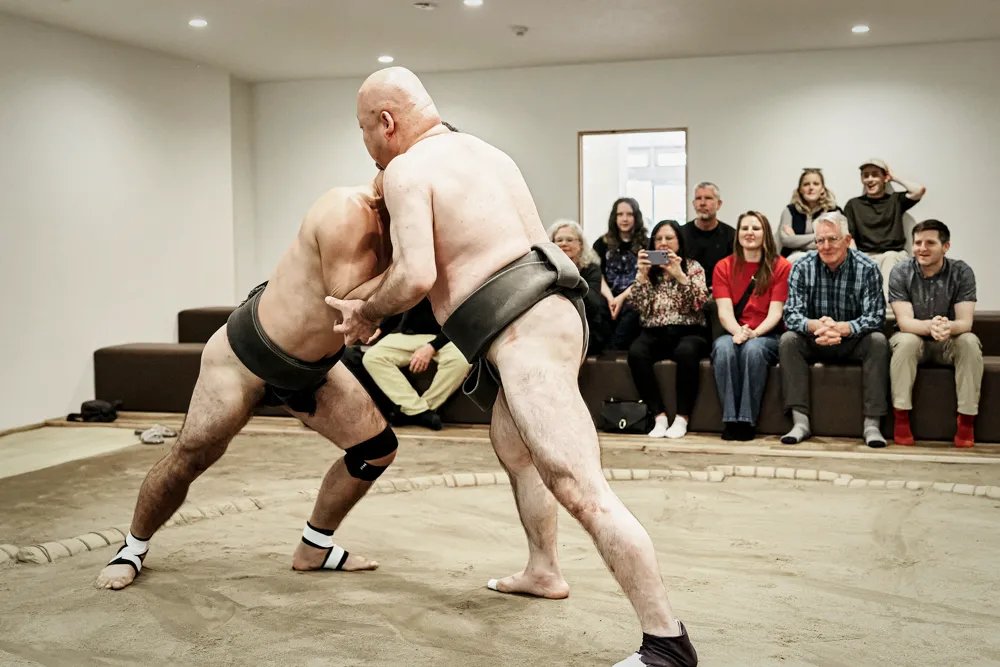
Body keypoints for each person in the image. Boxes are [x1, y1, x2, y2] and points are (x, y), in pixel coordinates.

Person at [330, 67, 698, 666]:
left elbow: (418, 275)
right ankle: (545, 568)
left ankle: (667, 643)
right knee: (516, 448)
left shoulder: (407, 169)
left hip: (524, 333)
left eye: (364, 130)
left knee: (581, 487)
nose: (366, 144)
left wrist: (367, 312)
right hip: (555, 316)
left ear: (387, 123)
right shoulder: (485, 152)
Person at [95, 177, 397, 590]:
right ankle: (132, 547)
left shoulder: (411, 235)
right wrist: (418, 272)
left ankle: (315, 547)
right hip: (245, 356)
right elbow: (347, 297)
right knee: (190, 457)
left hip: (310, 370)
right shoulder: (347, 208)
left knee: (376, 450)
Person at [779, 211, 889, 448]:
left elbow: (876, 316)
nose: (826, 246)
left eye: (832, 239)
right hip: (815, 338)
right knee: (788, 340)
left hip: (852, 340)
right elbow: (791, 314)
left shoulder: (867, 268)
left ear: (847, 240)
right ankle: (800, 422)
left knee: (878, 341)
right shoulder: (801, 266)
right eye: (820, 240)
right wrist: (816, 325)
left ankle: (872, 424)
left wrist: (843, 328)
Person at [888, 219, 981, 447]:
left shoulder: (962, 271)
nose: (922, 248)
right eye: (918, 242)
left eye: (930, 243)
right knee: (906, 342)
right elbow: (904, 322)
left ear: (945, 247)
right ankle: (901, 419)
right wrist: (931, 326)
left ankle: (966, 422)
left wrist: (948, 327)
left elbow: (965, 322)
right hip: (915, 337)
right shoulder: (901, 270)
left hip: (948, 340)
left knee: (969, 341)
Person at [626, 220, 710, 440]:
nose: (663, 243)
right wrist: (642, 275)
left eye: (669, 238)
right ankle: (659, 415)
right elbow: (637, 306)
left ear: (679, 242)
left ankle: (682, 418)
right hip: (655, 330)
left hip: (689, 330)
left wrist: (679, 275)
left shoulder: (693, 267)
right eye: (658, 239)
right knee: (636, 352)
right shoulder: (649, 270)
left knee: (686, 352)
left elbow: (699, 303)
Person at [712, 212, 792, 441]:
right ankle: (730, 419)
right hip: (734, 331)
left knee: (753, 350)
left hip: (766, 333)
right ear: (737, 234)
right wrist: (738, 332)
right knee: (723, 348)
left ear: (765, 233)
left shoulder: (781, 266)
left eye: (756, 228)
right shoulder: (723, 266)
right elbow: (725, 312)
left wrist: (753, 333)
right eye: (744, 228)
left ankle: (746, 420)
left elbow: (776, 313)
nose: (750, 233)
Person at [362, 297, 471, 430]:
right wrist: (382, 328)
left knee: (461, 360)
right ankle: (420, 411)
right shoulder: (416, 279)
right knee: (373, 356)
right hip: (409, 335)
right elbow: (401, 303)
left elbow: (462, 319)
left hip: (445, 337)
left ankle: (414, 410)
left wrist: (432, 347)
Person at [843, 159, 926, 298]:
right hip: (867, 256)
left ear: (884, 178)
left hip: (894, 254)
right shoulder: (853, 205)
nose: (870, 179)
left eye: (875, 174)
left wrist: (894, 178)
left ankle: (887, 312)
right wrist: (856, 261)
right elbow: (850, 237)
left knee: (889, 258)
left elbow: (918, 190)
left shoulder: (895, 200)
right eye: (866, 175)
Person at [550, 219, 612, 355]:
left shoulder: (592, 269)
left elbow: (593, 304)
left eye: (569, 240)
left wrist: (571, 275)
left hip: (587, 328)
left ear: (580, 244)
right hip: (554, 326)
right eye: (559, 240)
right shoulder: (546, 269)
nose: (564, 244)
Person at [593, 197, 648, 350]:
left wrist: (621, 298)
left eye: (629, 214)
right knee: (598, 307)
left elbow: (647, 276)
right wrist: (611, 298)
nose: (624, 219)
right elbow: (598, 273)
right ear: (614, 217)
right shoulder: (601, 243)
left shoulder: (647, 243)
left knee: (633, 309)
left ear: (636, 217)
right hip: (607, 293)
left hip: (633, 292)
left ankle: (615, 349)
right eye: (620, 214)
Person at [777, 168, 841, 262]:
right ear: (800, 189)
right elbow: (786, 241)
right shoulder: (789, 211)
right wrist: (820, 236)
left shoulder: (833, 211)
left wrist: (795, 239)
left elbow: (835, 242)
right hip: (793, 260)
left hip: (825, 259)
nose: (811, 187)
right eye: (806, 184)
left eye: (816, 184)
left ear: (822, 188)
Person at [679, 182, 734, 288]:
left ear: (719, 204)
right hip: (687, 293)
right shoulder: (681, 234)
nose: (702, 203)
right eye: (698, 198)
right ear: (693, 203)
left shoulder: (732, 236)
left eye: (708, 198)